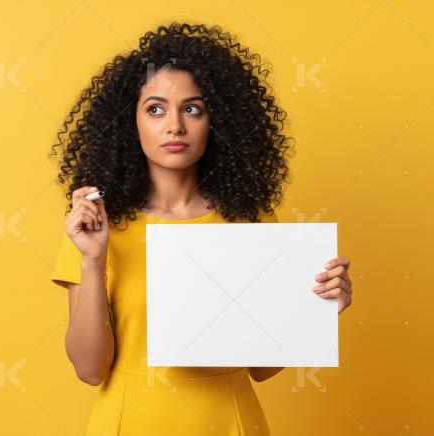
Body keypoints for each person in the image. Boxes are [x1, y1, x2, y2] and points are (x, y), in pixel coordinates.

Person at [48, 22, 353, 435]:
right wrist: (92, 261)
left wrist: (316, 310)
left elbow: (262, 368)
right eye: (155, 109)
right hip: (127, 423)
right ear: (129, 122)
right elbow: (88, 369)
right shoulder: (97, 227)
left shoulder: (250, 220)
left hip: (229, 422)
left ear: (218, 120)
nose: (174, 125)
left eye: (192, 108)